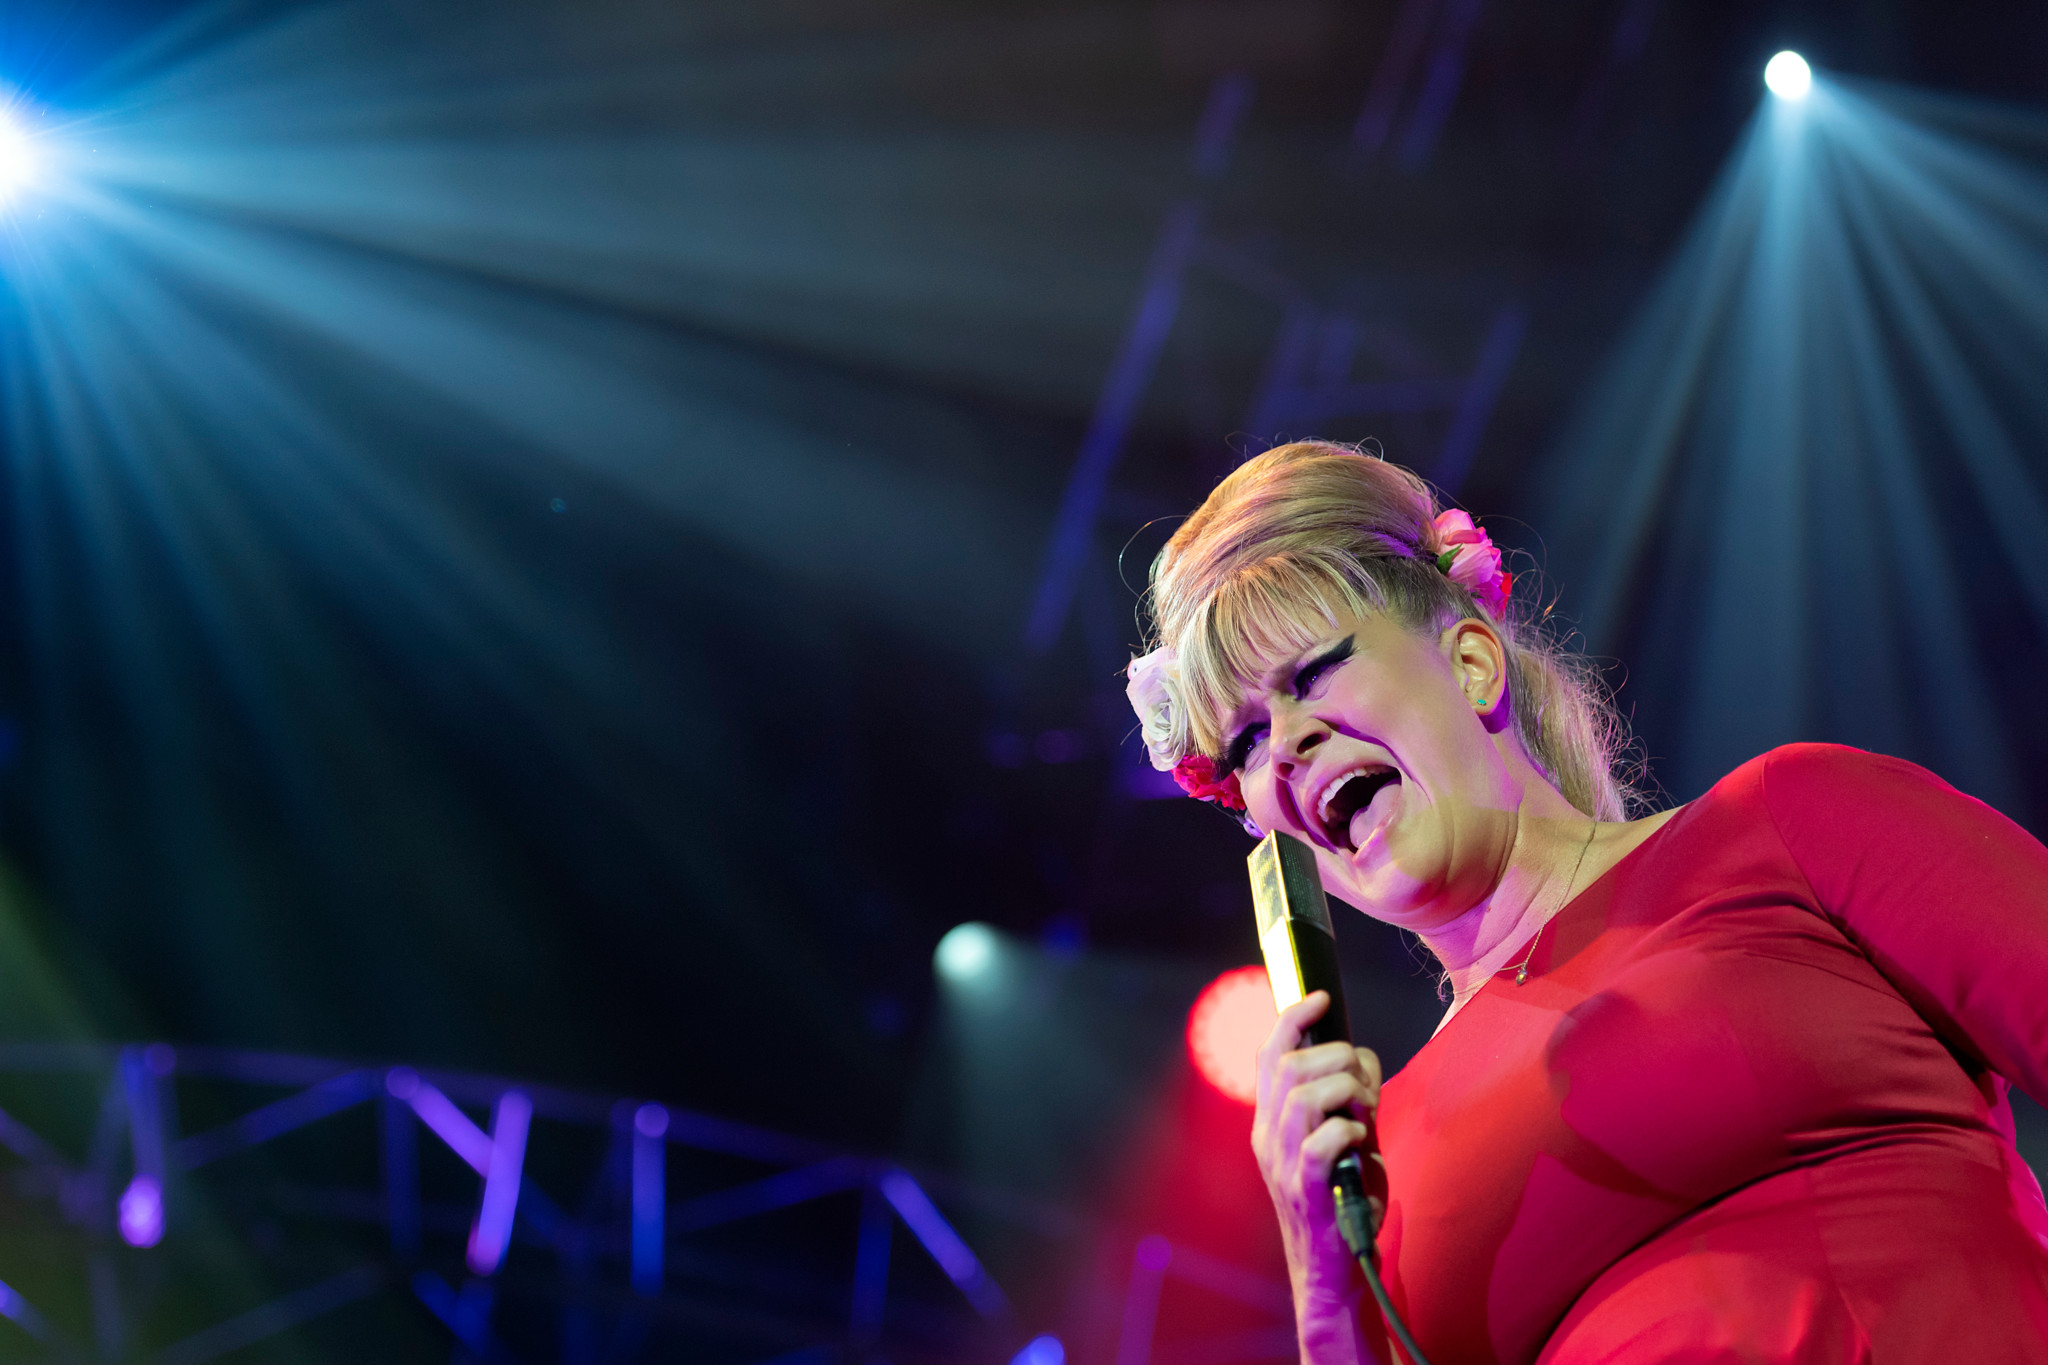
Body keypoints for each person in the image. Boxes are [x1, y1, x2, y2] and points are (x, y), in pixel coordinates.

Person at [1123, 440, 2048, 1364]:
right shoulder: (1378, 1158)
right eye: (1244, 742)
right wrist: (1325, 1291)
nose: (1284, 744)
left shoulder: (1787, 826)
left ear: (1474, 661)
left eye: (1314, 672)